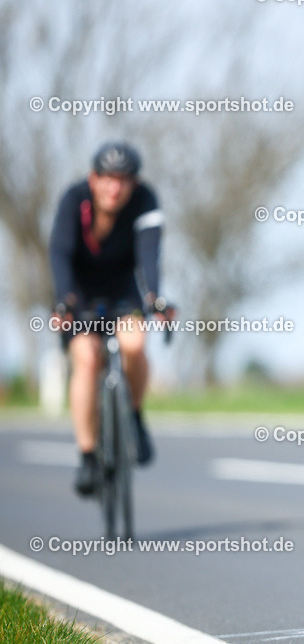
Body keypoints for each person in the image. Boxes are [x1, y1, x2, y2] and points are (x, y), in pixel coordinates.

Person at [49, 141, 171, 497]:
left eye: (124, 180)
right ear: (93, 178)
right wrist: (64, 300)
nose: (114, 188)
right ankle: (87, 455)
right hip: (80, 291)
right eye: (107, 179)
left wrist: (155, 298)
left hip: (124, 290)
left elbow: (150, 255)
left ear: (134, 183)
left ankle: (133, 416)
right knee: (87, 359)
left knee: (134, 343)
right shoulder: (73, 200)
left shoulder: (146, 200)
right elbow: (60, 252)